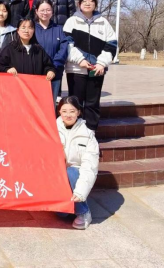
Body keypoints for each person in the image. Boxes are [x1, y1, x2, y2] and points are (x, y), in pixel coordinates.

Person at [64, 0, 116, 131]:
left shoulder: (103, 23)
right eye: (84, 0)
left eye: (91, 0)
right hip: (76, 69)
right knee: (75, 103)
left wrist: (101, 63)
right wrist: (79, 60)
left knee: (92, 103)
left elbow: (111, 44)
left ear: (95, 4)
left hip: (96, 70)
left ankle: (91, 132)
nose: (88, 3)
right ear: (79, 4)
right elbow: (67, 44)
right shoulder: (71, 22)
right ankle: (75, 132)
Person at [56, 95, 99, 230]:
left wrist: (80, 192)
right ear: (59, 112)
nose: (68, 115)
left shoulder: (87, 134)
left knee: (70, 171)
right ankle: (67, 206)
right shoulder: (51, 130)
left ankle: (83, 211)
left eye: (72, 111)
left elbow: (89, 166)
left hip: (75, 175)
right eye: (64, 111)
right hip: (57, 176)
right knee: (62, 214)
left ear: (78, 112)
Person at [34, 0, 69, 108]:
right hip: (35, 74)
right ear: (36, 11)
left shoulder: (59, 29)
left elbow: (63, 49)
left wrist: (53, 68)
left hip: (54, 74)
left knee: (50, 105)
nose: (45, 13)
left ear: (52, 11)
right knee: (35, 105)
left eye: (48, 10)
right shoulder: (31, 28)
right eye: (42, 10)